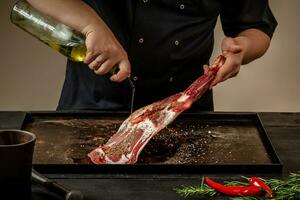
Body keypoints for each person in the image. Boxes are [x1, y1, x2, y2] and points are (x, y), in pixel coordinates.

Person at [27, 0, 277, 112]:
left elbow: (257, 26)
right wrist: (92, 25)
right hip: (91, 105)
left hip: (184, 113)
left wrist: (242, 47)